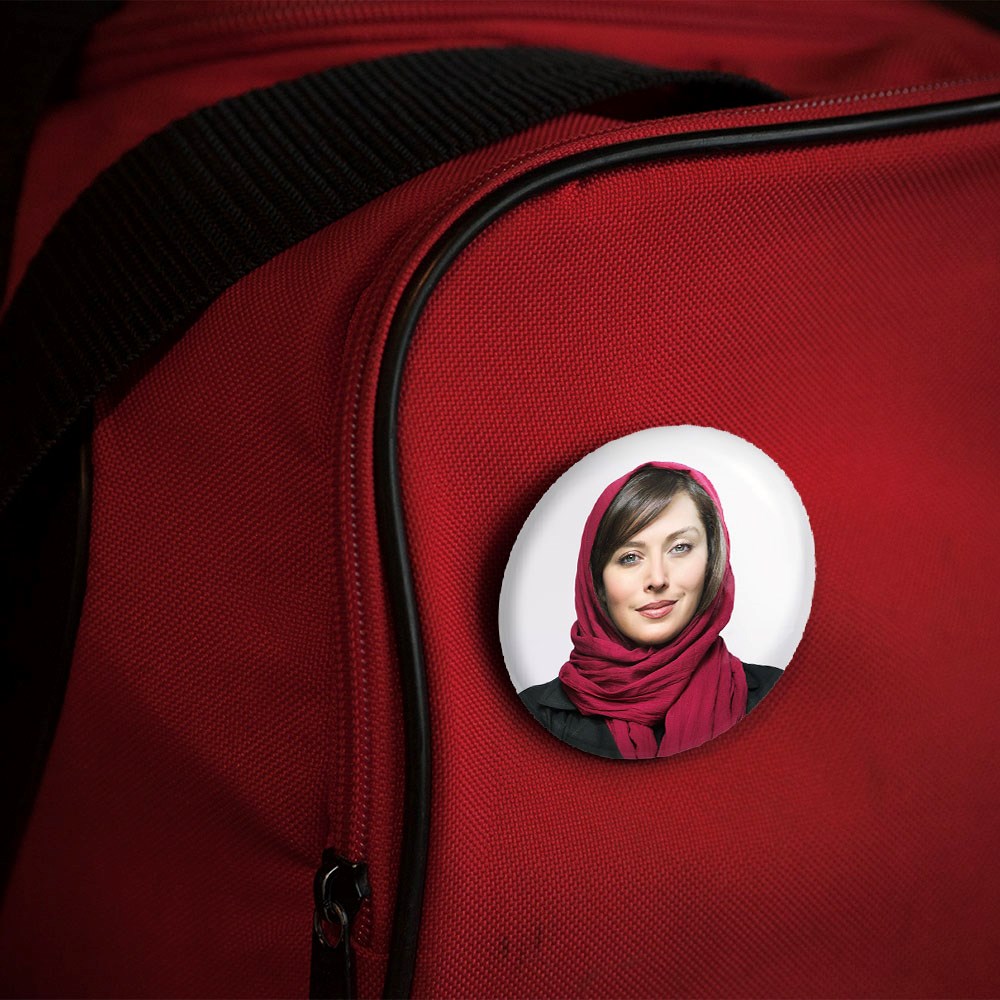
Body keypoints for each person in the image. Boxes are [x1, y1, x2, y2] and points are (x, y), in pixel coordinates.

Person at [519, 462, 781, 759]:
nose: (657, 579)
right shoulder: (528, 716)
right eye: (630, 557)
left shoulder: (780, 698)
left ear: (712, 560)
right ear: (595, 580)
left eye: (680, 547)